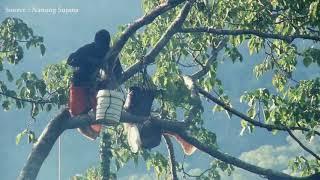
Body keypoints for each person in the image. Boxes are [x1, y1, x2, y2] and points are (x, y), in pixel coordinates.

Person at [67, 29, 123, 140]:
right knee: (78, 112)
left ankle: (93, 131)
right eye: (100, 44)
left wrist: (110, 78)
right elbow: (71, 60)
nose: (102, 47)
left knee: (99, 112)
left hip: (97, 86)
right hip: (81, 83)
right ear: (95, 42)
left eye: (104, 44)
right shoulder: (88, 49)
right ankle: (88, 130)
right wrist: (91, 61)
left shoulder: (110, 52)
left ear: (107, 43)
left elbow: (119, 72)